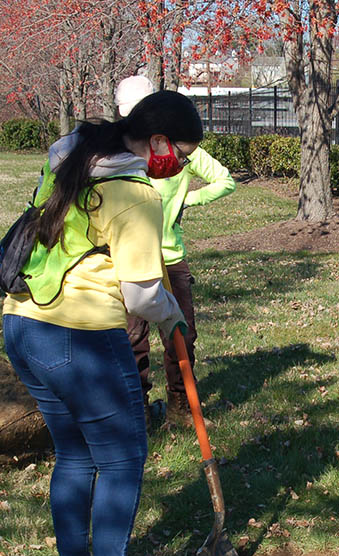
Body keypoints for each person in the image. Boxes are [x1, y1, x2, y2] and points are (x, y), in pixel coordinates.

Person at [2, 90, 202, 556]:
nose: (179, 166)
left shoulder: (72, 158)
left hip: (23, 325)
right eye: (180, 155)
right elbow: (140, 294)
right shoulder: (135, 194)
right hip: (81, 338)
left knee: (74, 453)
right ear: (157, 141)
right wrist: (171, 320)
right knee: (121, 457)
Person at [115, 76, 236, 429]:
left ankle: (182, 407)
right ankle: (136, 409)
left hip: (168, 255)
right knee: (132, 337)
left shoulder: (180, 149)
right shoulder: (121, 155)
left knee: (181, 334)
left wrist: (187, 198)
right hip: (127, 259)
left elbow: (224, 180)